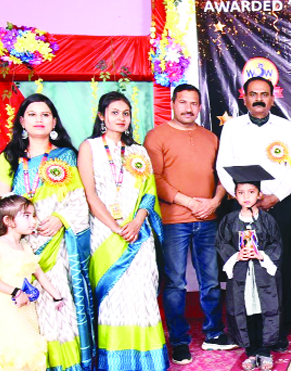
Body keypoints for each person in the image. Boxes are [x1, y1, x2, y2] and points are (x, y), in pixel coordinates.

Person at [0, 94, 95, 371]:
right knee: (23, 305)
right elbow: (0, 208)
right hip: (20, 246)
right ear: (22, 121)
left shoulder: (66, 155)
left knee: (58, 301)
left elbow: (79, 198)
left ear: (53, 122)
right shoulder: (9, 157)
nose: (39, 119)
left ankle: (65, 365)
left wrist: (60, 219)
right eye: (33, 114)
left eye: (45, 114)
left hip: (56, 243)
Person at [144, 84, 234, 364]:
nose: (188, 108)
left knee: (210, 281)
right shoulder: (156, 136)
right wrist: (189, 202)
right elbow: (155, 180)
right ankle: (180, 340)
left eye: (194, 103)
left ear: (199, 106)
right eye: (183, 102)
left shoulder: (211, 138)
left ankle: (214, 333)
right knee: (175, 283)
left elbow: (224, 176)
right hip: (174, 222)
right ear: (173, 103)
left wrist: (215, 201)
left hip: (208, 219)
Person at [78, 91, 168, 369]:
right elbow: (90, 195)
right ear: (102, 116)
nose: (121, 118)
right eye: (114, 112)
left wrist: (138, 221)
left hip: (139, 235)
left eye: (125, 113)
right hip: (106, 234)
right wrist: (116, 227)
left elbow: (149, 193)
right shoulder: (89, 148)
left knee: (141, 294)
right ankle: (117, 363)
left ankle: (148, 360)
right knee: (114, 298)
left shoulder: (138, 151)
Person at [217, 76, 291, 350]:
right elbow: (223, 166)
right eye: (253, 93)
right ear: (244, 97)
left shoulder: (286, 128)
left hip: (277, 206)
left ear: (272, 98)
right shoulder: (231, 128)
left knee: (277, 266)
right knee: (246, 266)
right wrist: (244, 199)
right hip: (242, 208)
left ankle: (279, 330)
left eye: (264, 94)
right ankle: (249, 330)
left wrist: (276, 195)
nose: (258, 99)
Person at [0, 194, 65, 371]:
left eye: (34, 215)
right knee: (8, 351)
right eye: (26, 216)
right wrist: (16, 292)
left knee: (26, 350)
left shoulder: (25, 247)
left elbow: (40, 275)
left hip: (24, 310)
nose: (33, 221)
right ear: (8, 220)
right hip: (2, 308)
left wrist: (57, 297)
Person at [215, 165, 282, 371]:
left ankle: (265, 351)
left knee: (264, 310)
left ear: (259, 194)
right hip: (241, 274)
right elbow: (222, 243)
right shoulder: (229, 220)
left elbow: (276, 244)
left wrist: (261, 254)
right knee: (246, 312)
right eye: (241, 193)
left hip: (262, 274)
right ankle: (251, 352)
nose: (246, 197)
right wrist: (237, 255)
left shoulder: (268, 220)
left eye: (251, 192)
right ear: (234, 195)